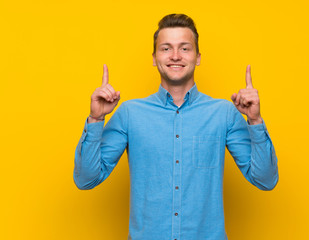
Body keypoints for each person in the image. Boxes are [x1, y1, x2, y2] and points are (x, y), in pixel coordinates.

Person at [74, 13, 278, 240]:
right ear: (154, 57)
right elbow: (86, 179)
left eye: (184, 48)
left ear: (198, 57)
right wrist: (95, 120)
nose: (175, 56)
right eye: (166, 48)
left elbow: (265, 180)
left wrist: (255, 121)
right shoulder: (130, 113)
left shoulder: (223, 113)